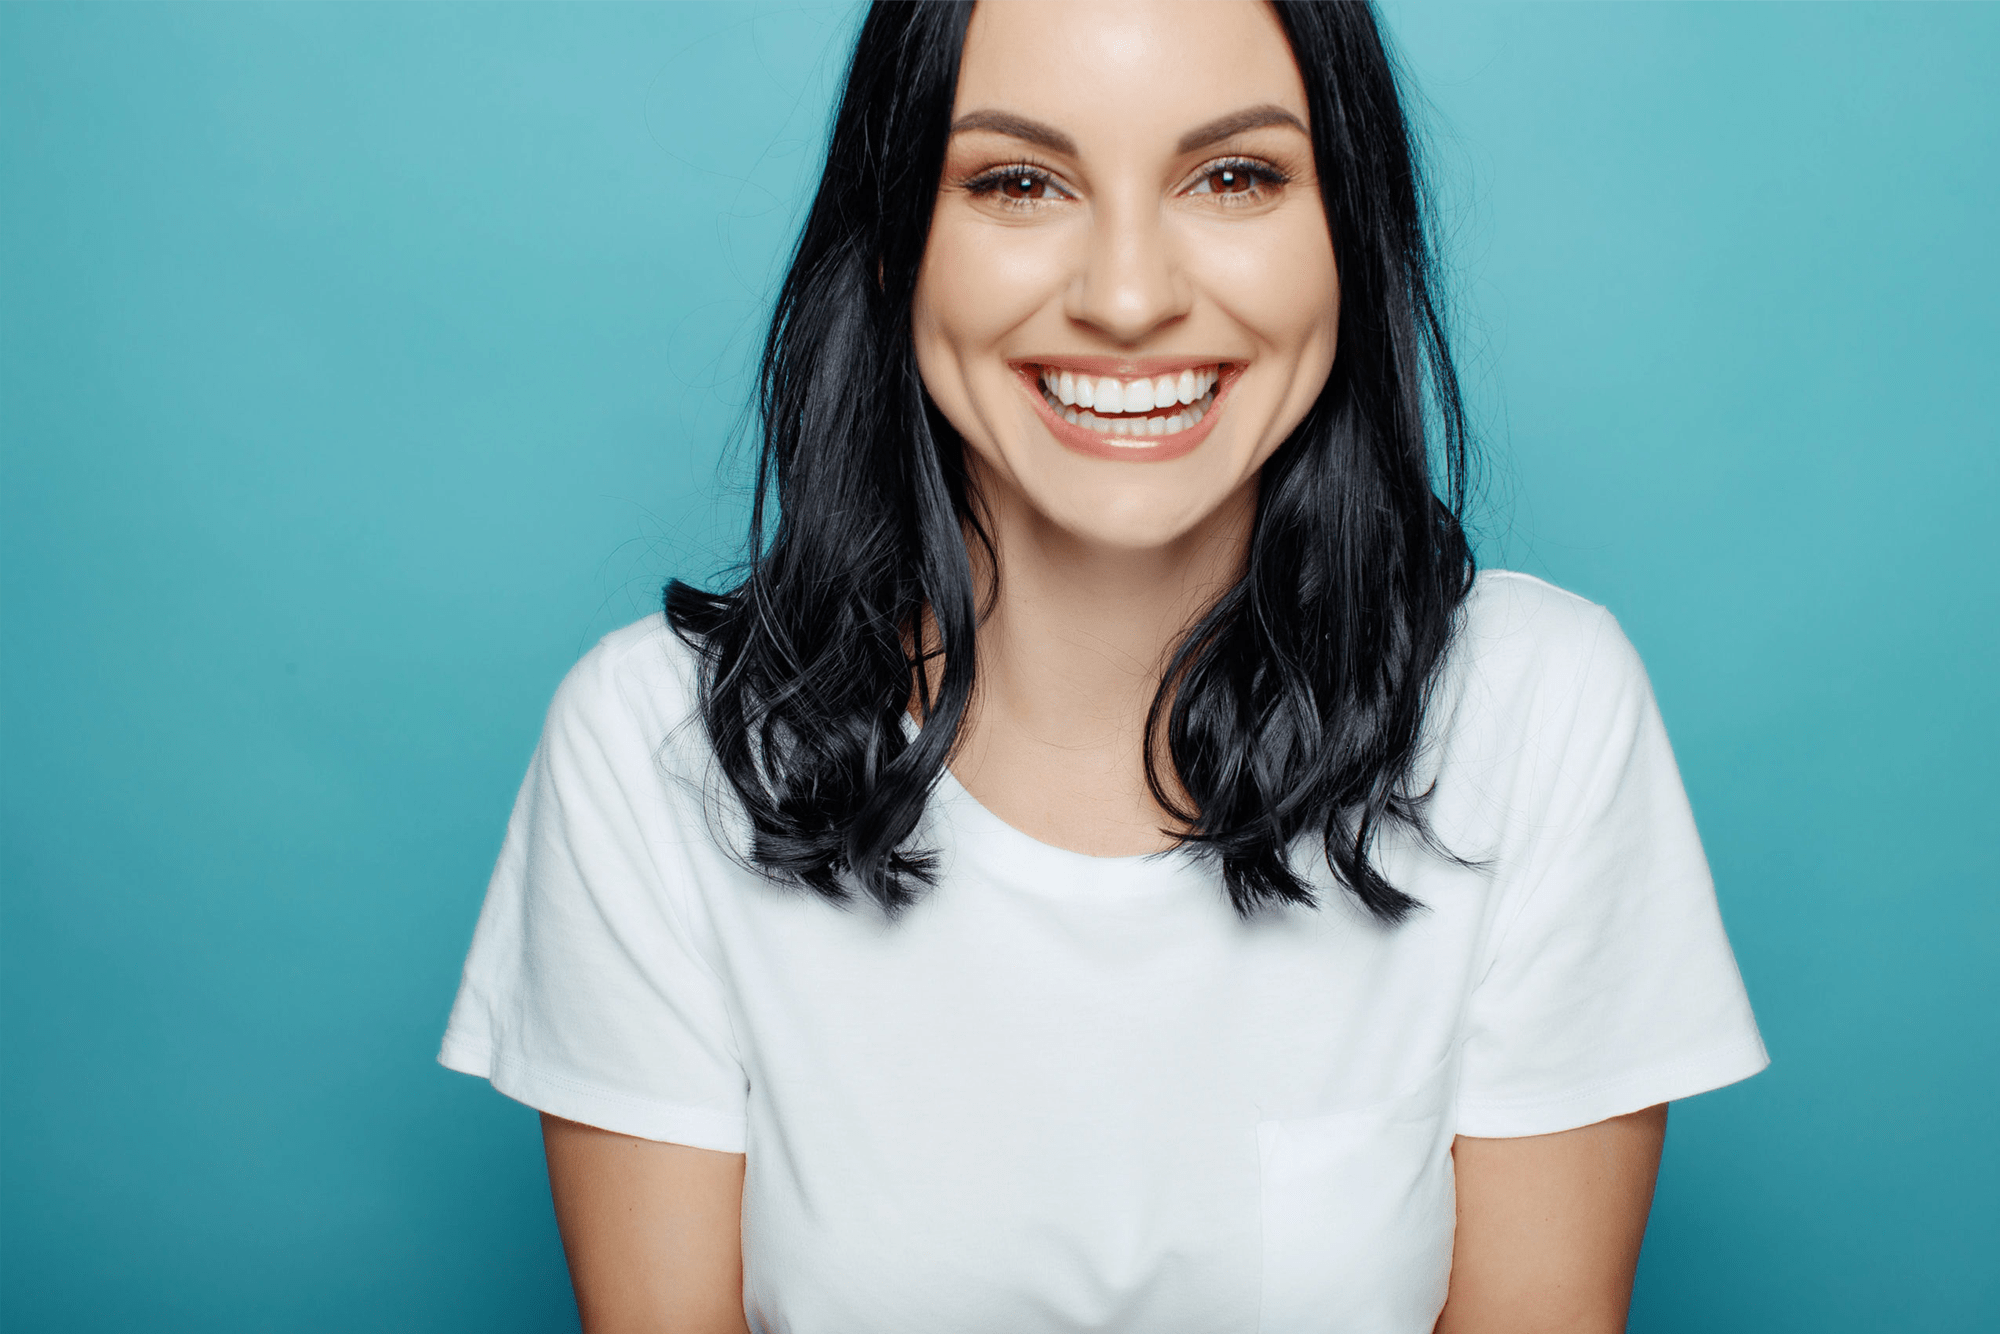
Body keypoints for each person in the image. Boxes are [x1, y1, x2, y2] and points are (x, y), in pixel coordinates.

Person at [440, 2, 1768, 1330]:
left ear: (1347, 230)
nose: (1128, 299)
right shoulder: (660, 748)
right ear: (898, 240)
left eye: (1234, 176)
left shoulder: (1535, 710)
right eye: (1018, 181)